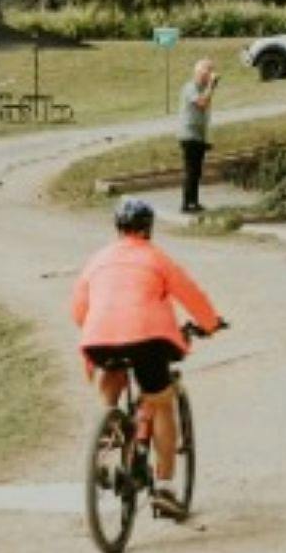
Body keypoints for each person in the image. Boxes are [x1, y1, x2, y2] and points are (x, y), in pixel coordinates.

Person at [73, 197, 224, 521]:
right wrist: (210, 323)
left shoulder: (97, 260)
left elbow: (78, 310)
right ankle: (165, 487)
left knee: (112, 372)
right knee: (161, 402)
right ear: (148, 228)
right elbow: (191, 295)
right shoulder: (156, 258)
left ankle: (106, 431)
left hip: (99, 338)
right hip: (148, 339)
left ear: (118, 228)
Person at [176, 59, 219, 215]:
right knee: (191, 169)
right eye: (208, 71)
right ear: (200, 72)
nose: (211, 75)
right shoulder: (190, 87)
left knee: (197, 170)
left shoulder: (202, 88)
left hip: (199, 135)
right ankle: (187, 203)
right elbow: (202, 103)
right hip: (189, 134)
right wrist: (210, 87)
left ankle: (193, 201)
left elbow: (205, 106)